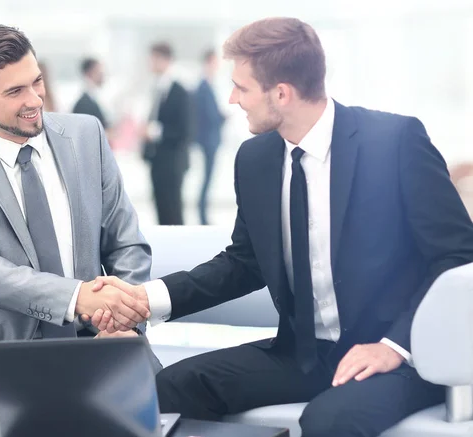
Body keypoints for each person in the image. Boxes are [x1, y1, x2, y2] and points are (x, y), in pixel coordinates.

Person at [89, 17, 473, 437]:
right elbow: (242, 263)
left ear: (282, 93)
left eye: (242, 87)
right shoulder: (255, 159)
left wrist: (394, 347)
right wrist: (146, 299)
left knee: (327, 421)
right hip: (302, 353)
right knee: (171, 387)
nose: (233, 99)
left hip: (395, 356)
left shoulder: (395, 141)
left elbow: (455, 255)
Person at [0, 25, 160, 394]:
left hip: (104, 339)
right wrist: (76, 297)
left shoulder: (86, 135)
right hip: (6, 356)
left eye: (37, 82)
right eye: (15, 91)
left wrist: (124, 318)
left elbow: (126, 242)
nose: (35, 100)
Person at [142, 42, 191, 225]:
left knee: (173, 210)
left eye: (153, 59)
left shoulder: (180, 91)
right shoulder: (156, 88)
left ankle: (178, 251)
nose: (150, 63)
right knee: (161, 209)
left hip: (173, 162)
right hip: (156, 160)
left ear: (165, 60)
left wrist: (154, 131)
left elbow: (185, 131)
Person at [194, 49, 226, 225]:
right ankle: (202, 213)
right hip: (208, 140)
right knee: (206, 178)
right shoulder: (203, 87)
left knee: (208, 178)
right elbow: (208, 115)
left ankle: (203, 212)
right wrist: (222, 117)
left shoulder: (209, 86)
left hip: (211, 139)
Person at [72, 58, 109, 129]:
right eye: (99, 72)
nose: (102, 75)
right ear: (89, 73)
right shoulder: (84, 104)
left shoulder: (93, 98)